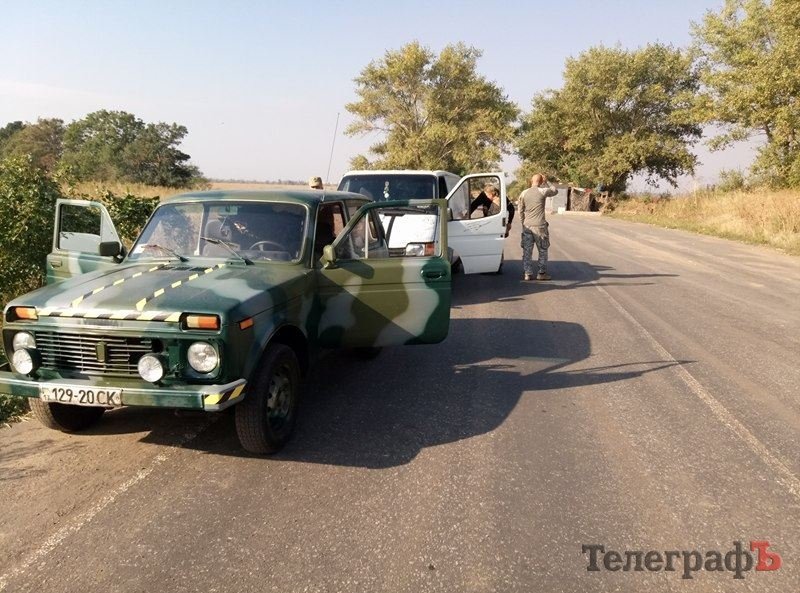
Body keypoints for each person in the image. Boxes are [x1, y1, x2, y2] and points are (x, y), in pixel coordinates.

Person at [518, 173, 558, 281]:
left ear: (531, 181)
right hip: (540, 226)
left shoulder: (523, 193)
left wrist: (523, 223)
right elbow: (555, 190)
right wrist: (547, 181)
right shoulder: (543, 191)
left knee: (527, 251)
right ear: (541, 182)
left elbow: (520, 211)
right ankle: (541, 273)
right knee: (543, 250)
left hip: (527, 226)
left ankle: (527, 273)